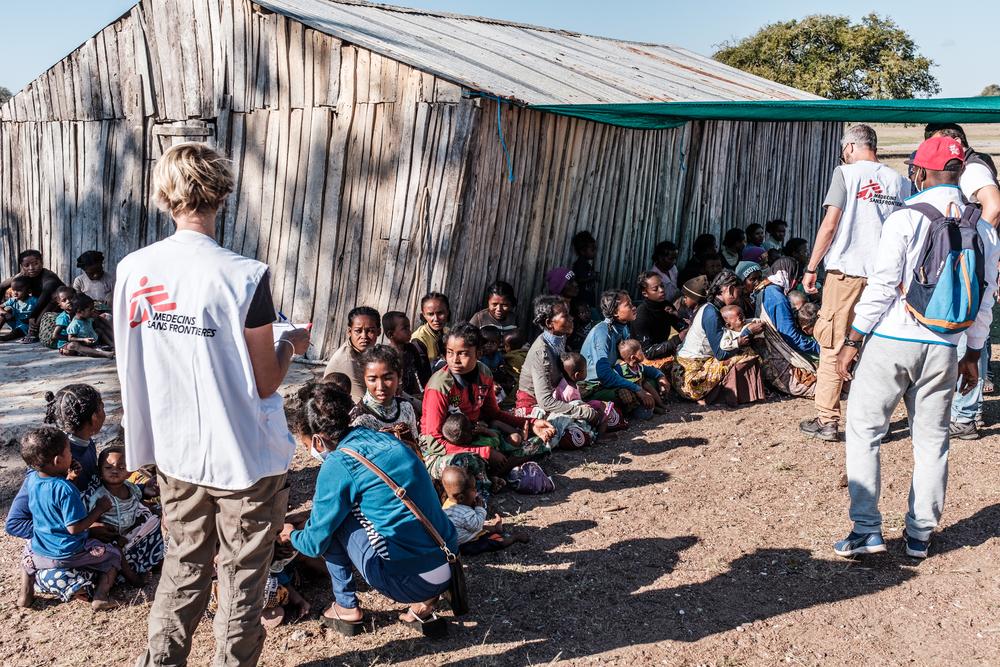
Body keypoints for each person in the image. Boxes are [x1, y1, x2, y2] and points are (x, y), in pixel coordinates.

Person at [115, 142, 310, 666]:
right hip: (245, 454)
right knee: (242, 578)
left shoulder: (135, 270)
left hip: (176, 450)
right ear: (222, 194)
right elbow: (266, 381)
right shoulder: (246, 275)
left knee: (182, 564)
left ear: (164, 197)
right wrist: (293, 344)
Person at [832, 135, 999, 560]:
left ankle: (867, 531)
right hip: (946, 346)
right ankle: (920, 535)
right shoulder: (984, 229)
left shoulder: (906, 218)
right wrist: (974, 354)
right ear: (961, 173)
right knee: (932, 442)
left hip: (893, 340)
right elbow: (985, 298)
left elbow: (883, 286)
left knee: (866, 430)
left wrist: (854, 339)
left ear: (920, 172)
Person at [287, 383, 458, 638]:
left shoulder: (337, 464)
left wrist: (290, 534)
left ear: (317, 440)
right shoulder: (382, 437)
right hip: (449, 559)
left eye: (305, 444)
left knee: (336, 522)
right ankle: (427, 599)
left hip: (410, 582)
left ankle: (346, 607)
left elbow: (313, 544)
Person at [800, 124, 909, 442]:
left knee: (833, 344)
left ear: (849, 147)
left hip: (846, 275)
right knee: (877, 349)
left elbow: (830, 224)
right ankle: (875, 422)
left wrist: (811, 267)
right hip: (885, 278)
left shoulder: (845, 174)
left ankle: (827, 420)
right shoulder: (899, 181)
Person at [420, 324, 556, 482]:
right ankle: (492, 474)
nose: (454, 360)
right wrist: (483, 452)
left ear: (478, 353)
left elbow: (494, 413)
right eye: (450, 353)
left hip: (475, 434)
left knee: (539, 443)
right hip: (442, 449)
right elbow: (434, 441)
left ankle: (492, 473)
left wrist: (531, 423)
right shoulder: (440, 385)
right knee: (467, 463)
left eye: (463, 353)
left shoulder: (484, 373)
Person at [17, 426, 127, 611]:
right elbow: (74, 528)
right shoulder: (65, 490)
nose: (71, 454)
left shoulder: (32, 480)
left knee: (26, 558)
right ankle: (101, 597)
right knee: (112, 556)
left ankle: (25, 596)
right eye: (69, 450)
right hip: (69, 551)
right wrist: (98, 510)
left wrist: (71, 479)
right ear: (58, 460)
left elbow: (52, 499)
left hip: (40, 549)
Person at [515, 295, 604, 448]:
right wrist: (581, 411)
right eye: (565, 316)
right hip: (533, 404)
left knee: (603, 409)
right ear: (549, 323)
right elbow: (545, 401)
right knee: (578, 432)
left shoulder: (560, 338)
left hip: (558, 397)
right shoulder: (541, 353)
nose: (572, 318)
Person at [670, 270, 766, 405]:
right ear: (731, 290)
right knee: (746, 353)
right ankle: (716, 396)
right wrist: (747, 333)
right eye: (738, 293)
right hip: (690, 380)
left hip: (686, 372)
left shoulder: (711, 308)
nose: (739, 297)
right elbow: (721, 354)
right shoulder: (711, 314)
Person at [87, 445, 165, 576]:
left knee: (159, 521)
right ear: (99, 471)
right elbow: (92, 520)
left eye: (121, 468)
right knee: (114, 550)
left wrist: (147, 490)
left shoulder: (131, 488)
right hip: (114, 538)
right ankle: (132, 577)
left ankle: (154, 562)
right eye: (108, 467)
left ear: (130, 472)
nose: (114, 471)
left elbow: (141, 496)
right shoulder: (99, 496)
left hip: (134, 532)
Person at [580, 290, 658, 419]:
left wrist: (659, 375)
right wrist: (637, 389)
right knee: (627, 394)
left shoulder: (623, 328)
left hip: (613, 378)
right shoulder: (602, 332)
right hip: (594, 387)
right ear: (615, 312)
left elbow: (633, 362)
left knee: (651, 382)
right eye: (628, 305)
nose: (633, 307)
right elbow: (604, 374)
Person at [752, 258, 819, 398]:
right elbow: (791, 337)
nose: (795, 283)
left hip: (768, 359)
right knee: (823, 386)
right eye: (795, 277)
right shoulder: (778, 298)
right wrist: (819, 348)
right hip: (780, 364)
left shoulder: (765, 290)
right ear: (790, 275)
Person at [923, 123, 999, 227]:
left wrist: (978, 238)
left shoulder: (971, 169)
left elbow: (995, 207)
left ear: (956, 142)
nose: (935, 150)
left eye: (939, 144)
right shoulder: (967, 164)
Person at [440, 466, 527, 556]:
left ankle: (495, 529)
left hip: (458, 536)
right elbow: (477, 525)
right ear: (461, 497)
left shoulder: (447, 504)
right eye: (473, 489)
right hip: (465, 543)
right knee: (493, 541)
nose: (476, 490)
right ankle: (514, 538)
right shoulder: (465, 513)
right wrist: (480, 509)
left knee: (473, 525)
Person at [348, 345, 420, 453]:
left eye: (387, 378)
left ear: (399, 377)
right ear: (364, 379)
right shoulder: (359, 420)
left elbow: (415, 447)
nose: (380, 387)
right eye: (372, 379)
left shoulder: (406, 408)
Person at [0, 249, 65, 344]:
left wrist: (32, 317)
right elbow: (2, 286)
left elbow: (45, 298)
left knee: (53, 300)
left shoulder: (49, 277)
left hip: (53, 308)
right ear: (22, 266)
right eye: (26, 265)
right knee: (7, 308)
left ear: (42, 262)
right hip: (34, 308)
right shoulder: (22, 276)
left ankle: (33, 332)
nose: (31, 268)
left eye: (36, 263)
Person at [323, 306, 381, 402]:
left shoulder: (369, 352)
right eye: (358, 331)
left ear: (379, 332)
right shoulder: (347, 361)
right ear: (350, 332)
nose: (364, 336)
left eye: (370, 331)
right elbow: (363, 403)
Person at [632, 271, 687, 369]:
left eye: (662, 286)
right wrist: (677, 339)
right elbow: (647, 352)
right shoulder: (641, 315)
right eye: (655, 289)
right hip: (644, 360)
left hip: (664, 352)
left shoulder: (666, 306)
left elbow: (682, 327)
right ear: (645, 293)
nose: (661, 290)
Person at [382, 310, 430, 399]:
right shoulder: (386, 355)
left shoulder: (411, 349)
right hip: (396, 396)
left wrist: (425, 392)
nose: (410, 331)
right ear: (391, 334)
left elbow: (421, 373)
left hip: (414, 394)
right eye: (405, 328)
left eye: (409, 327)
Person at [615, 339, 669, 413]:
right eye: (641, 351)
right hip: (629, 389)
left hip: (639, 384)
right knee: (627, 395)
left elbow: (651, 370)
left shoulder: (639, 366)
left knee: (647, 385)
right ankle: (652, 408)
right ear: (633, 358)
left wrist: (660, 376)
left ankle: (660, 403)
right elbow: (615, 378)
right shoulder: (621, 368)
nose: (643, 353)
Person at [63, 293, 115, 359]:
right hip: (84, 345)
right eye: (90, 309)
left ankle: (113, 346)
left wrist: (98, 317)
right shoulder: (75, 324)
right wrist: (83, 339)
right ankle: (103, 354)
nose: (92, 311)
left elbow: (100, 320)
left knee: (99, 331)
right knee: (73, 345)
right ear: (80, 311)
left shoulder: (88, 318)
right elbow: (70, 338)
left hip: (94, 340)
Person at [411, 292, 451, 371]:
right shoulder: (419, 339)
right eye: (430, 314)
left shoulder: (447, 332)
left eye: (440, 313)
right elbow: (421, 373)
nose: (436, 319)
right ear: (424, 315)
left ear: (447, 312)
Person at [1, 277, 37, 341]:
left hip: (26, 326)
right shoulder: (13, 300)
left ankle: (6, 337)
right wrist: (6, 313)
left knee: (17, 332)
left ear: (29, 291)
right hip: (15, 322)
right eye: (13, 290)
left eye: (19, 290)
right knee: (6, 310)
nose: (15, 293)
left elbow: (40, 310)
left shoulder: (33, 301)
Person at [571, 231, 600, 307]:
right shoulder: (579, 264)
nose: (595, 252)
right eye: (592, 249)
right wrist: (592, 277)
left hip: (589, 301)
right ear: (582, 251)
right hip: (582, 302)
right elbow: (578, 279)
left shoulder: (587, 264)